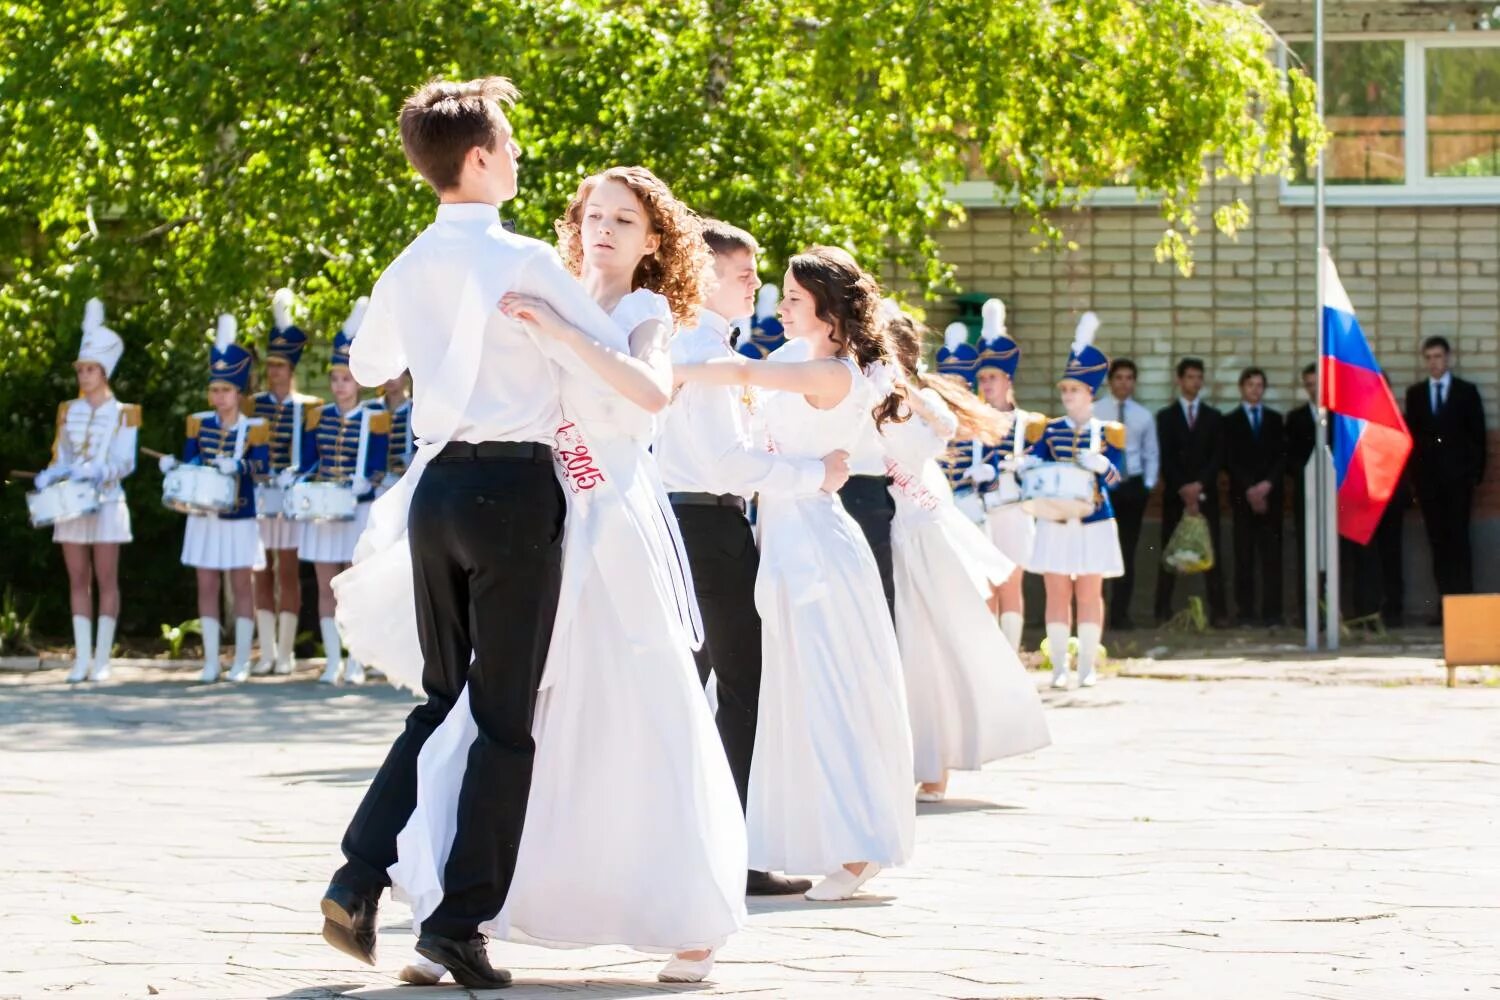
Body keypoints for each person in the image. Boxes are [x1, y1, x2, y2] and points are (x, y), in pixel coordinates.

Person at [317, 79, 720, 991]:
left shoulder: (406, 262)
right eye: (510, 143)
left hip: (435, 493)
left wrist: (446, 340)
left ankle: (358, 872)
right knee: (504, 719)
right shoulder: (529, 255)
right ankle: (456, 926)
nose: (521, 158)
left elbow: (369, 364)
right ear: (482, 159)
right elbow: (615, 363)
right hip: (513, 489)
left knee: (439, 699)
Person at [391, 165, 746, 986]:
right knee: (509, 715)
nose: (605, 230)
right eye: (594, 215)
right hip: (534, 518)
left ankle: (685, 917)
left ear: (654, 240)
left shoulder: (644, 312)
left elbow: (651, 392)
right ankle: (456, 913)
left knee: (642, 708)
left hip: (612, 524)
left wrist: (562, 334)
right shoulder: (533, 284)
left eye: (625, 220)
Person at [675, 245, 915, 903]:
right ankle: (818, 832)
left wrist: (672, 367)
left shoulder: (833, 373)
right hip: (781, 535)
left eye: (793, 299)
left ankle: (863, 843)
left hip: (813, 543)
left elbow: (740, 373)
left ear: (829, 312)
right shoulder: (799, 360)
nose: (779, 306)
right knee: (799, 697)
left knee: (831, 691)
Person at [654, 218, 850, 897]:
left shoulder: (707, 344)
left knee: (707, 685)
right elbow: (722, 461)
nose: (757, 285)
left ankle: (701, 841)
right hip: (706, 525)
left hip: (705, 523)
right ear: (707, 274)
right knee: (743, 687)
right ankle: (728, 850)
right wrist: (811, 472)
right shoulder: (701, 349)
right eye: (745, 274)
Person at [881, 307, 1050, 802]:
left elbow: (944, 427)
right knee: (897, 648)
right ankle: (904, 755)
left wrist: (901, 384)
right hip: (881, 521)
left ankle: (936, 764)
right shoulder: (865, 394)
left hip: (920, 524)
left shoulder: (923, 396)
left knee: (932, 643)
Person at [158, 314, 269, 683]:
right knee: (205, 583)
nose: (219, 397)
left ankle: (241, 659)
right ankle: (210, 660)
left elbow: (262, 468)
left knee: (241, 586)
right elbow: (192, 460)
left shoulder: (255, 430)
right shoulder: (200, 424)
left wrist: (237, 465)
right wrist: (177, 466)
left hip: (239, 516)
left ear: (239, 393)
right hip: (203, 515)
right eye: (214, 390)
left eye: (225, 390)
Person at [32, 299, 138, 683]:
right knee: (78, 579)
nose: (83, 374)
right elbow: (62, 453)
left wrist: (99, 470)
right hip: (72, 504)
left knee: (106, 577)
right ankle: (81, 657)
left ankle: (103, 658)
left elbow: (126, 462)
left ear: (104, 371)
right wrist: (53, 472)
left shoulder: (125, 412)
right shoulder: (67, 410)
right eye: (80, 369)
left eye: (90, 368)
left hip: (107, 501)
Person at [1023, 313, 1125, 689]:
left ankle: (1087, 666)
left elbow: (1117, 477)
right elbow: (1032, 465)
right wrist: (1028, 462)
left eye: (1075, 391)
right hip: (1053, 518)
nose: (1067, 397)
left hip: (1094, 519)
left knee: (1089, 593)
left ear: (1090, 394)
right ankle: (1059, 667)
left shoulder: (1108, 433)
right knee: (1057, 592)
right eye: (1065, 391)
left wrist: (1102, 465)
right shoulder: (1047, 430)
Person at [295, 304, 389, 686]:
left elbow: (377, 465)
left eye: (346, 379)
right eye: (335, 378)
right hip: (322, 509)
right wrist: (299, 481)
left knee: (354, 585)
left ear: (359, 383)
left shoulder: (374, 418)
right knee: (325, 584)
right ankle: (332, 658)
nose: (339, 386)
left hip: (356, 510)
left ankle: (357, 658)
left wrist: (363, 481)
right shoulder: (318, 416)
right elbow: (307, 461)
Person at [249, 288, 321, 677]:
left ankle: (287, 650)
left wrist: (300, 474)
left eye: (279, 366)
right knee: (261, 568)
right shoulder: (255, 404)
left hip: (291, 495)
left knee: (289, 569)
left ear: (290, 369)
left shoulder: (308, 407)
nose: (273, 371)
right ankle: (266, 649)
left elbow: (314, 453)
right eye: (270, 365)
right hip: (261, 493)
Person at [972, 299, 1041, 651]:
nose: (986, 384)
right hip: (977, 511)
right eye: (982, 378)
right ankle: (990, 661)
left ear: (1007, 379)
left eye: (993, 377)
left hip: (1013, 510)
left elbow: (1041, 469)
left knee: (1011, 583)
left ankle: (1011, 655)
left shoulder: (1026, 423)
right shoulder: (969, 421)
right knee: (984, 585)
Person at [1404, 335, 1486, 622]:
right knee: (1437, 544)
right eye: (1428, 358)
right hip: (1430, 484)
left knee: (1459, 543)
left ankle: (1463, 606)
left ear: (1447, 358)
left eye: (1438, 357)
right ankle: (1444, 606)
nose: (1433, 363)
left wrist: (1472, 476)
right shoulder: (1416, 395)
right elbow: (1411, 440)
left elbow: (1477, 438)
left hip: (1458, 483)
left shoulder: (1465, 392)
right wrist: (1417, 480)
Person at [1154, 356, 1228, 627]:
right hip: (1176, 495)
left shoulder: (1213, 417)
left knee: (1212, 552)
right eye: (1189, 377)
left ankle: (1218, 612)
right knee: (1168, 553)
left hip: (1206, 495)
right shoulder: (1165, 417)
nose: (1194, 382)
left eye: (1199, 377)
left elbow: (1217, 457)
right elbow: (1165, 457)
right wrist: (1184, 488)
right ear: (1179, 380)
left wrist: (1199, 486)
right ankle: (1162, 610)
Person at [1223, 366, 1284, 627]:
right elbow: (1229, 459)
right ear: (1242, 388)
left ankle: (1272, 613)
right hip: (1242, 498)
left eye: (1259, 385)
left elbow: (1281, 457)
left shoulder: (1275, 419)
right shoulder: (1230, 421)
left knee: (1272, 558)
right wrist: (1249, 488)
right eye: (1250, 385)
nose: (1255, 390)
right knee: (1244, 557)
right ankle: (1245, 612)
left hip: (1271, 498)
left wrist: (1266, 485)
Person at [1101, 358, 1157, 630]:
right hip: (1102, 487)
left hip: (1132, 487)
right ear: (1110, 381)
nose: (1124, 383)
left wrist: (1147, 484)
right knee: (1100, 549)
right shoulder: (1095, 410)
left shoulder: (1142, 415)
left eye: (1129, 378)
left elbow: (1151, 453)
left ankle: (1121, 614)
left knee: (1127, 551)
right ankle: (1097, 612)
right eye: (1119, 377)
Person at [1284, 363, 1318, 621]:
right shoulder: (1296, 418)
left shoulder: (1341, 416)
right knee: (1306, 552)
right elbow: (1290, 457)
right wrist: (1309, 472)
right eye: (1308, 384)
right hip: (1306, 493)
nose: (1313, 388)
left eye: (1317, 382)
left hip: (1336, 495)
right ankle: (1307, 611)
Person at [365, 373, 413, 496]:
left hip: (407, 483)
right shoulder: (370, 408)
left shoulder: (415, 409)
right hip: (373, 484)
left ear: (406, 376)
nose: (389, 378)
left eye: (395, 373)